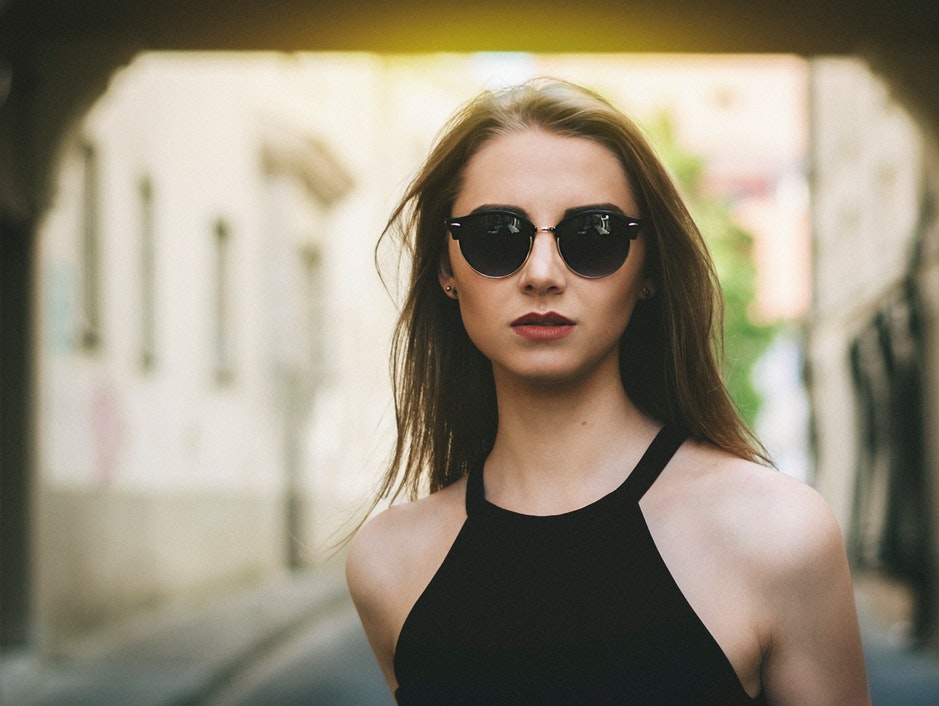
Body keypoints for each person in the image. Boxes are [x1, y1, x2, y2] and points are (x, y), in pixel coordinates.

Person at [346, 77, 869, 704]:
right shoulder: (389, 564)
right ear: (445, 270)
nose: (542, 274)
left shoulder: (780, 534)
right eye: (497, 236)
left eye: (592, 236)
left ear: (647, 267)